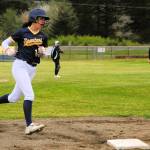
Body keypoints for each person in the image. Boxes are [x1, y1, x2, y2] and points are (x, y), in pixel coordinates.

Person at [0, 8, 49, 135]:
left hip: (32, 69)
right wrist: (7, 50)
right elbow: (5, 42)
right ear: (34, 19)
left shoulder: (43, 36)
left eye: (44, 19)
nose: (43, 21)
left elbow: (42, 53)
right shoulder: (22, 32)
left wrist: (43, 53)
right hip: (20, 66)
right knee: (29, 95)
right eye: (41, 18)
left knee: (13, 98)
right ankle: (29, 125)